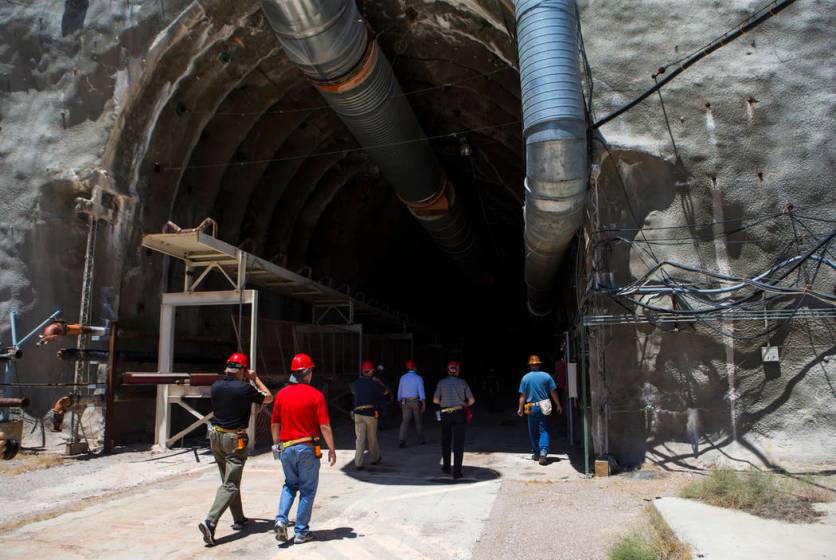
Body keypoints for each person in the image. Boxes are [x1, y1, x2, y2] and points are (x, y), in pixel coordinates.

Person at [198, 352, 272, 546]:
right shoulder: (245, 388)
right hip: (234, 439)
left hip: (215, 436)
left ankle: (239, 518)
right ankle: (210, 522)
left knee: (228, 481)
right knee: (230, 484)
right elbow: (268, 398)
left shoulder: (216, 386)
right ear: (243, 370)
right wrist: (255, 378)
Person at [271, 353, 337, 544]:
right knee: (307, 490)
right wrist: (332, 449)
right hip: (307, 448)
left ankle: (281, 520)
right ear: (307, 373)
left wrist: (276, 445)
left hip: (286, 448)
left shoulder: (281, 395)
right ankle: (301, 531)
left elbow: (275, 423)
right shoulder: (316, 395)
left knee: (290, 485)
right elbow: (324, 426)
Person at [432, 361, 475, 479]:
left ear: (448, 371)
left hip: (445, 414)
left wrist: (444, 403)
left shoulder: (441, 383)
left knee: (446, 441)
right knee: (458, 443)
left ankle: (446, 467)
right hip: (459, 413)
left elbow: (435, 400)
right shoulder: (463, 382)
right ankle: (457, 472)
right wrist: (464, 405)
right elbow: (472, 400)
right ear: (458, 371)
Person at [517, 354, 562, 465]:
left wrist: (520, 408)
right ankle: (543, 452)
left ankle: (537, 453)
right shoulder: (546, 376)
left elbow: (522, 395)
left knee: (533, 431)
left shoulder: (525, 378)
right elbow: (553, 392)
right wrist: (558, 404)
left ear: (530, 365)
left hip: (531, 407)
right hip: (544, 406)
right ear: (538, 364)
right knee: (544, 429)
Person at [351, 360, 390, 469]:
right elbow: (385, 392)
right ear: (371, 371)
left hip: (358, 413)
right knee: (372, 437)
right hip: (370, 413)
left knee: (360, 439)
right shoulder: (373, 383)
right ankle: (376, 458)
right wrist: (379, 382)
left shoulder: (356, 383)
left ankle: (358, 463)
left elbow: (354, 392)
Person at [397, 359, 426, 447]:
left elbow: (400, 391)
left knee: (405, 421)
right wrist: (423, 403)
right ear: (414, 367)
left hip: (405, 402)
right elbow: (421, 392)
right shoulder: (418, 378)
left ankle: (402, 441)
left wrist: (399, 401)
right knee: (418, 421)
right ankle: (421, 439)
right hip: (415, 402)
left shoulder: (402, 377)